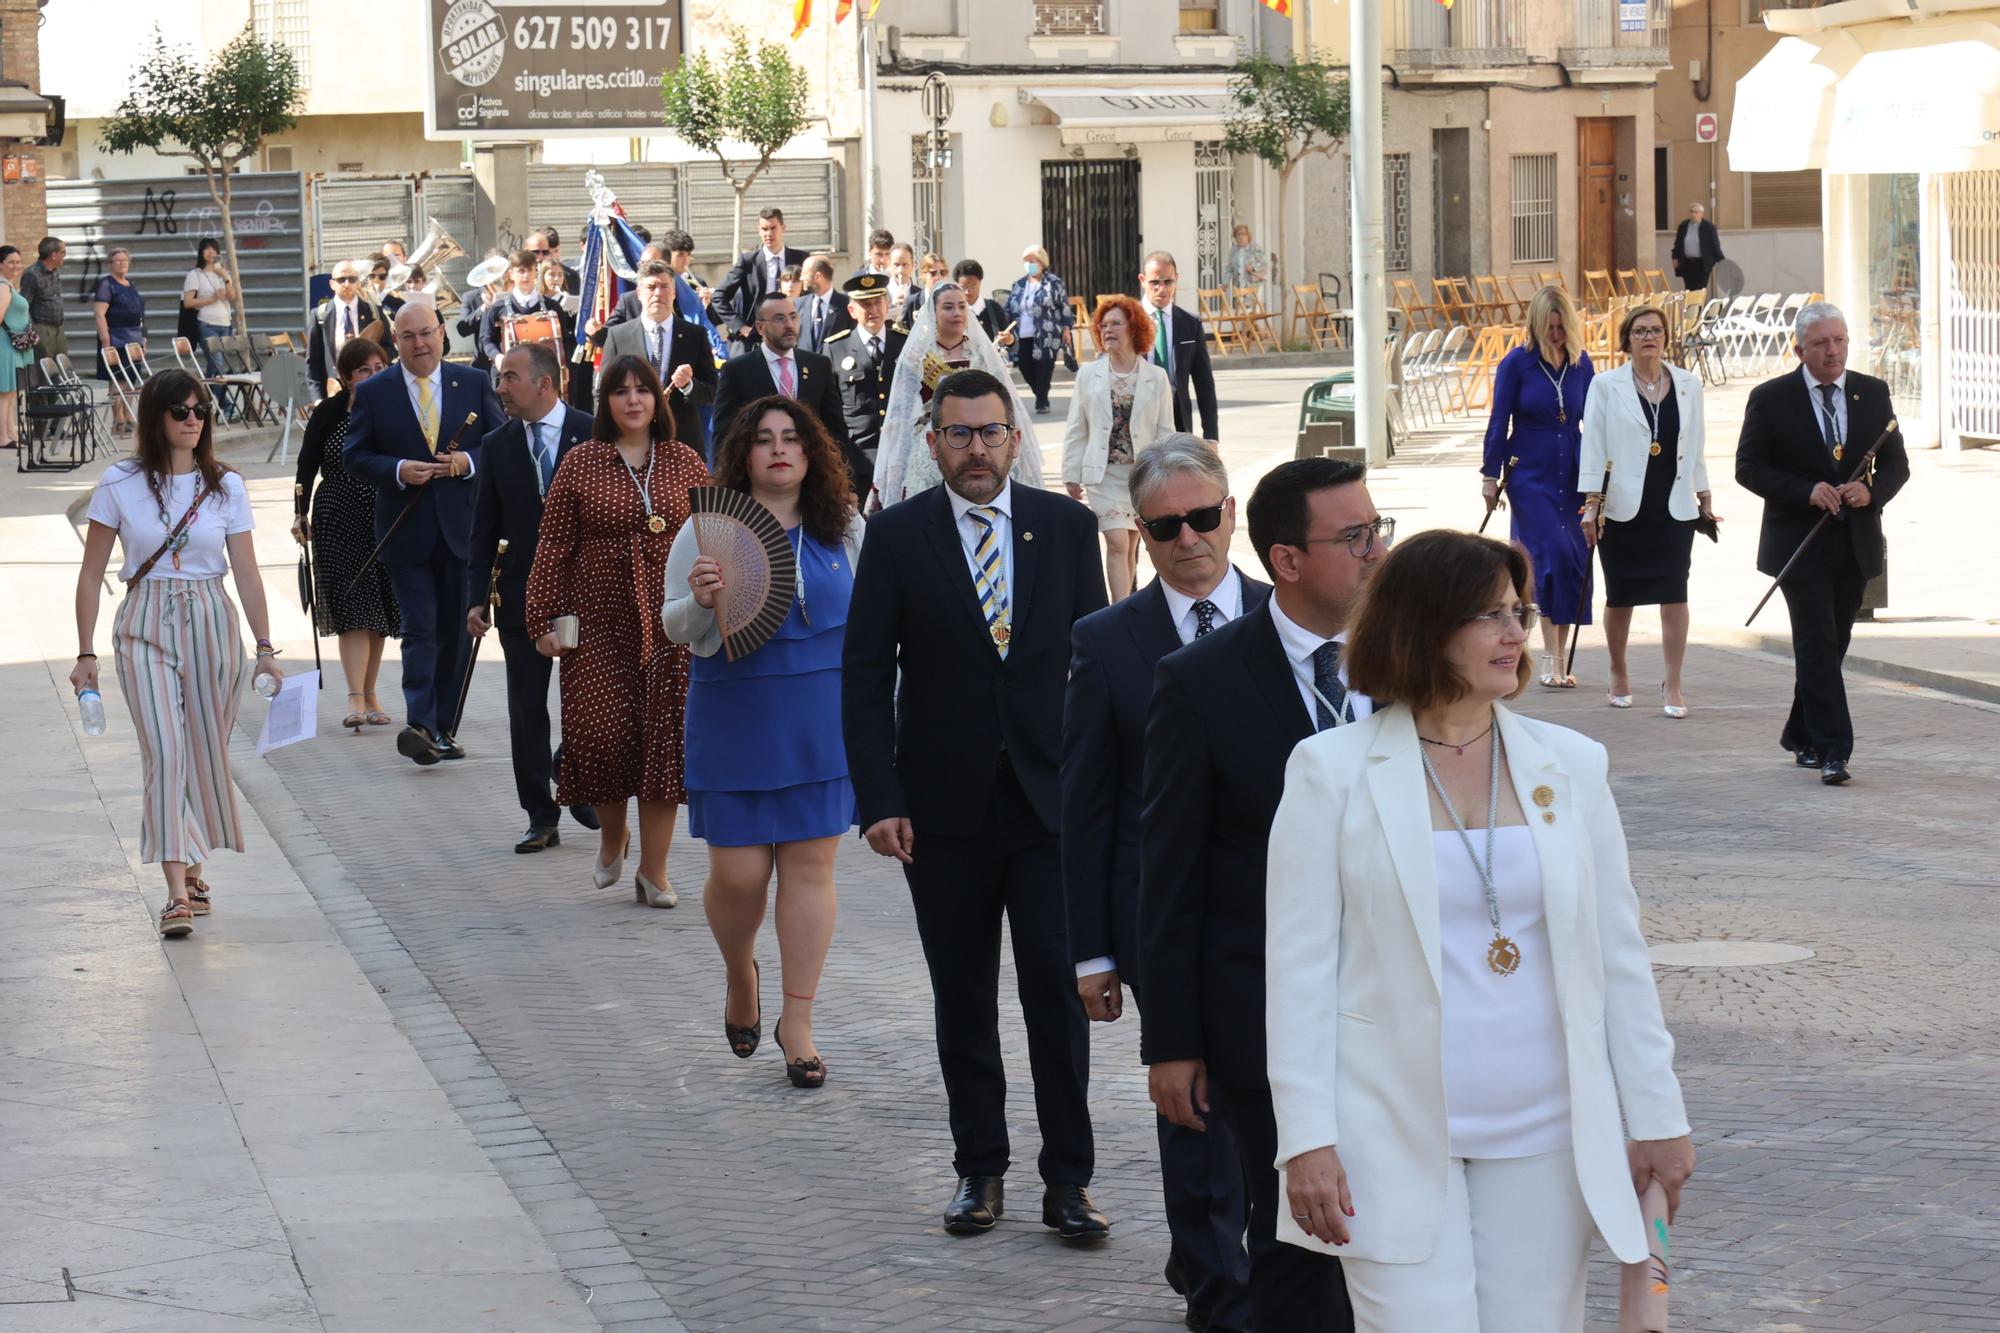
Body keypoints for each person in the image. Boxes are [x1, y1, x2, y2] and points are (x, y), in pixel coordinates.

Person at [1267, 528, 1695, 1332]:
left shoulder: (1571, 764)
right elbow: (1296, 974)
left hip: (1545, 1133)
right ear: (1424, 627)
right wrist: (1306, 1139)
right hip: (1385, 1133)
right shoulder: (1328, 772)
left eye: (1518, 611)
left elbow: (1618, 957)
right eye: (1488, 615)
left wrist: (1657, 1116)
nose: (1515, 633)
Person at [843, 368, 1112, 1241]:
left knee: (1055, 997)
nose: (978, 449)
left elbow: (1095, 673)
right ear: (933, 443)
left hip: (1048, 810)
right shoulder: (895, 536)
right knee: (962, 997)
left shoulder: (1066, 530)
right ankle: (979, 1170)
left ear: (1015, 437)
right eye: (959, 434)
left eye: (992, 432)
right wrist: (878, 797)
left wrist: (1101, 795)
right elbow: (862, 675)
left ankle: (1069, 1180)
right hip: (940, 813)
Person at [1140, 457, 1391, 1332]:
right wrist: (1171, 1041)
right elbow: (1168, 873)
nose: (1375, 552)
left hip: (1402, 1007)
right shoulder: (1200, 680)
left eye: (1377, 529)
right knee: (1294, 1238)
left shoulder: (1415, 661)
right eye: (1354, 537)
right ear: (1287, 560)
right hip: (1264, 1013)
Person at [1062, 436, 1259, 1332]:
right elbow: (1088, 808)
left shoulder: (1289, 618)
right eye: (1167, 525)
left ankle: (1235, 1256)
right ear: (1140, 534)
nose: (1191, 538)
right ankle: (1219, 1293)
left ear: (1232, 511)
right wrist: (1092, 952)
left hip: (1281, 914)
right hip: (1165, 920)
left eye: (1204, 517)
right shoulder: (1106, 643)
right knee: (1198, 1107)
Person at [664, 397, 865, 1088]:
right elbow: (674, 627)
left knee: (812, 869)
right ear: (742, 453)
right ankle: (738, 972)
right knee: (740, 875)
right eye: (764, 439)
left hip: (822, 717)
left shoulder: (845, 526)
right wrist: (698, 598)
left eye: (793, 438)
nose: (780, 449)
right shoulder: (706, 529)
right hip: (735, 714)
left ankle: (798, 1023)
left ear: (813, 453)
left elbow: (877, 624)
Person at [72, 371, 281, 939]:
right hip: (145, 621)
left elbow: (247, 572)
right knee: (164, 752)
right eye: (180, 410)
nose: (193, 420)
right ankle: (174, 894)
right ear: (155, 417)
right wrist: (85, 651)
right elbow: (91, 575)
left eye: (200, 411)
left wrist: (264, 648)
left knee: (202, 751)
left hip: (213, 622)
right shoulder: (119, 482)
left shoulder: (226, 486)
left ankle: (193, 868)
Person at [525, 356, 708, 904]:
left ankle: (655, 871)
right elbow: (552, 547)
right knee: (601, 741)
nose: (633, 400)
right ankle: (613, 836)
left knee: (662, 745)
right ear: (605, 403)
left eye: (643, 391)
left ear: (658, 400)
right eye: (620, 392)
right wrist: (540, 620)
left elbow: (714, 534)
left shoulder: (686, 462)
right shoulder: (582, 462)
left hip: (671, 623)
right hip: (598, 621)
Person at [1735, 301, 1908, 786]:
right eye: (1821, 344)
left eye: (1839, 341)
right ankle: (1835, 749)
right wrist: (1805, 490)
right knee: (1816, 641)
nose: (1832, 352)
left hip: (1855, 541)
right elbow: (1748, 467)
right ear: (1799, 349)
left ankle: (1801, 732)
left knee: (1831, 644)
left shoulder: (1872, 393)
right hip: (1800, 543)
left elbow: (1897, 464)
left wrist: (1871, 492)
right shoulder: (1771, 398)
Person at [343, 300, 506, 766]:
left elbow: (502, 444)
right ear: (396, 342)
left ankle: (443, 726)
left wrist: (466, 462)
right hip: (405, 531)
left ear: (442, 334)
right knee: (421, 629)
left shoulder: (472, 383)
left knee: (456, 631)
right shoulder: (376, 391)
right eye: (409, 336)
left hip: (463, 531)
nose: (420, 343)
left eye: (427, 333)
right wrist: (396, 469)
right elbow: (355, 454)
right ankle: (419, 724)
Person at [467, 341, 597, 853]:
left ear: (544, 383)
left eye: (509, 378)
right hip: (522, 597)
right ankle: (540, 815)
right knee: (526, 709)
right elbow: (483, 529)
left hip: (588, 596)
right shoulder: (497, 445)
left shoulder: (592, 433)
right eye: (500, 378)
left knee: (591, 703)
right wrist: (476, 598)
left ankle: (579, 777)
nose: (500, 388)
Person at [1579, 304, 1717, 718]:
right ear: (1627, 339)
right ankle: (1618, 670)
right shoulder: (1606, 385)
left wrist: (1705, 494)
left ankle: (1673, 682)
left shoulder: (1689, 384)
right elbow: (1594, 446)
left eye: (1655, 330)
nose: (1648, 337)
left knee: (1675, 592)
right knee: (1620, 595)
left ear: (1665, 337)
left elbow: (1696, 446)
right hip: (1622, 504)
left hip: (1673, 504)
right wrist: (1590, 505)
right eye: (1639, 331)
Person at [1482, 284, 1596, 686]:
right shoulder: (1518, 364)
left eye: (1561, 327)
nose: (1555, 334)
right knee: (1548, 553)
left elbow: (1594, 422)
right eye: (1549, 327)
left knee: (1575, 556)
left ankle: (1559, 655)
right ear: (1536, 325)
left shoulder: (1582, 364)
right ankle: (1551, 657)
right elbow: (1499, 421)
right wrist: (1489, 476)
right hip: (1529, 471)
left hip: (1574, 470)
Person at [292, 337, 403, 732]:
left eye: (379, 368)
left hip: (385, 514)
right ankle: (354, 695)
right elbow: (306, 465)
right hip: (338, 513)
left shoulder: (395, 409)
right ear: (346, 377)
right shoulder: (330, 412)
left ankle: (371, 693)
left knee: (379, 610)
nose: (373, 376)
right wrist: (298, 513)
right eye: (363, 370)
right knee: (352, 604)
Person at [875, 282, 1045, 507]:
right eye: (948, 307)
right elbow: (902, 411)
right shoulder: (916, 355)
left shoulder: (981, 352)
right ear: (933, 312)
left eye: (962, 306)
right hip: (933, 440)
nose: (956, 313)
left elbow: (1005, 400)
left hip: (981, 434)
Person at [1063, 295, 1173, 602]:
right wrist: (1071, 473)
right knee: (1116, 542)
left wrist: (1168, 474)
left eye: (1116, 324)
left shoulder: (1156, 377)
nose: (1108, 330)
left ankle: (1125, 605)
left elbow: (1166, 430)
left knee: (1131, 544)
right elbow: (1076, 427)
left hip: (1140, 476)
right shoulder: (1088, 374)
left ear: (1134, 328)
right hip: (1102, 474)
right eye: (1103, 325)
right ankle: (1120, 612)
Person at [712, 291, 864, 498]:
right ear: (760, 327)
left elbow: (835, 430)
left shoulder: (818, 365)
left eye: (793, 316)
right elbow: (723, 434)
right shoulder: (737, 370)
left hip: (814, 484)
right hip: (759, 486)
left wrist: (843, 482)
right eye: (779, 319)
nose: (789, 325)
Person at [602, 258, 720, 465]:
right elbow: (603, 392)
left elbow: (712, 391)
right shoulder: (618, 336)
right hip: (630, 443)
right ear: (639, 293)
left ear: (674, 293)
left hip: (682, 443)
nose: (658, 293)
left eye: (665, 286)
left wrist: (689, 385)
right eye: (651, 287)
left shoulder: (695, 335)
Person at [1138, 251, 1221, 442]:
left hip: (1177, 418)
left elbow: (1204, 383)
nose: (1162, 289)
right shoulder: (1127, 321)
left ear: (1176, 279)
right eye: (1155, 282)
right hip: (1136, 416)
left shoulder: (1190, 324)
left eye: (1168, 282)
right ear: (1143, 280)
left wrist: (1211, 437)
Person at [825, 274, 904, 468]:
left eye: (878, 302)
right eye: (865, 304)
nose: (873, 310)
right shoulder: (836, 348)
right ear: (852, 310)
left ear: (887, 305)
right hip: (857, 455)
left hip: (900, 450)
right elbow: (830, 408)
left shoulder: (905, 343)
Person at [716, 208, 807, 353]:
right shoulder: (748, 261)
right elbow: (719, 296)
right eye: (764, 229)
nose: (768, 234)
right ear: (758, 230)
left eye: (773, 228)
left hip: (793, 337)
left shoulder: (801, 259)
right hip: (755, 340)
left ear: (783, 228)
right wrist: (740, 326)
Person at [1004, 247, 1073, 416]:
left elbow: (1064, 306)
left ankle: (1042, 401)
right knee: (1024, 365)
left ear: (1042, 263)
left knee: (1044, 368)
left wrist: (1066, 329)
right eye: (1026, 261)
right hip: (1022, 334)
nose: (1029, 265)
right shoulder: (1019, 285)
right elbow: (1009, 308)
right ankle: (1040, 392)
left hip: (1047, 334)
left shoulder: (1053, 283)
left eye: (1032, 261)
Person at [308, 260, 391, 398]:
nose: (347, 284)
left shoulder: (374, 312)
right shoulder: (319, 315)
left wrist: (374, 367)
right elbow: (313, 362)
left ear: (358, 283)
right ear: (332, 284)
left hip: (370, 388)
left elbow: (389, 349)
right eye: (341, 280)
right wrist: (318, 399)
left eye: (352, 279)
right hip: (335, 391)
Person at [182, 238, 237, 420]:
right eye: (206, 249)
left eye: (213, 249)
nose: (210, 253)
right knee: (218, 366)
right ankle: (226, 406)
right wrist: (212, 298)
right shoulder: (195, 274)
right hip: (206, 324)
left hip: (225, 325)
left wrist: (225, 277)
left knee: (214, 368)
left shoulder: (222, 273)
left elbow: (232, 296)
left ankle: (203, 404)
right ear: (201, 252)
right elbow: (189, 302)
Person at [94, 247, 146, 434]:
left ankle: (129, 414)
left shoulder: (130, 284)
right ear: (110, 264)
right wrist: (106, 340)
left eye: (125, 260)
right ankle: (119, 420)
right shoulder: (107, 284)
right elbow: (99, 314)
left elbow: (140, 315)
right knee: (118, 380)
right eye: (118, 260)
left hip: (133, 339)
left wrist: (143, 338)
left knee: (131, 380)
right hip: (115, 338)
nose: (123, 263)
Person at [479, 250, 561, 367]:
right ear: (511, 274)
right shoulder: (497, 308)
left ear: (536, 273)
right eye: (521, 271)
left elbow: (565, 342)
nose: (526, 276)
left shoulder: (553, 307)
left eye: (529, 270)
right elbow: (486, 340)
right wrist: (497, 356)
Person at [0, 246, 34, 448]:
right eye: (11, 262)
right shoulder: (2, 286)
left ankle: (10, 431)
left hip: (15, 346)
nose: (16, 266)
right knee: (5, 392)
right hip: (6, 344)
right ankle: (2, 436)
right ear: (0, 264)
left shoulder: (8, 285)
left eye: (18, 262)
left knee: (12, 391)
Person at [21, 237, 66, 372]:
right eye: (63, 252)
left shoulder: (55, 272)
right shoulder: (32, 274)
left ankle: (60, 394)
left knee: (62, 368)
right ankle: (44, 394)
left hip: (58, 328)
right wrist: (34, 332)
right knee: (45, 371)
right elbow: (24, 306)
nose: (65, 256)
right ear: (53, 255)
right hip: (42, 329)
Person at [953, 259, 1010, 343]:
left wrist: (1009, 340)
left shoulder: (994, 308)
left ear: (980, 282)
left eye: (973, 286)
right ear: (956, 285)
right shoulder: (951, 311)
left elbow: (1013, 345)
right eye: (964, 287)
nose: (968, 292)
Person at [1671, 203, 1724, 292]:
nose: (1693, 214)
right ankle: (1690, 306)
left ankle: (1699, 306)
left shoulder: (1708, 227)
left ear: (1701, 213)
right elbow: (1678, 244)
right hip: (1687, 263)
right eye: (1691, 212)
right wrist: (1675, 257)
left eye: (1696, 212)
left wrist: (1722, 261)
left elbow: (1715, 245)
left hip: (1702, 263)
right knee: (1689, 289)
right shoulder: (1684, 226)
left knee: (1699, 289)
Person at [795, 254, 842, 354]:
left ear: (817, 277)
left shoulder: (845, 305)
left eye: (804, 273)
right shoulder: (798, 304)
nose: (801, 278)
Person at [529, 226, 581, 295]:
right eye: (546, 253)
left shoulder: (571, 276)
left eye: (556, 251)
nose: (553, 257)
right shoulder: (528, 275)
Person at [1224, 224, 1268, 292]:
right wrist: (1225, 283)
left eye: (1243, 234)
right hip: (1238, 286)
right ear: (1235, 237)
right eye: (1238, 234)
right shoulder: (1233, 251)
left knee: (1249, 302)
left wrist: (1253, 267)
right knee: (1239, 302)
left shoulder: (1255, 248)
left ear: (1248, 236)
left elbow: (1265, 263)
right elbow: (1229, 269)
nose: (1240, 236)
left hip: (1253, 285)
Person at [885, 243, 917, 318]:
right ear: (889, 265)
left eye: (905, 264)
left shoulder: (920, 295)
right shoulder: (878, 294)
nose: (900, 270)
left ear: (913, 265)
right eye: (896, 265)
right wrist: (892, 306)